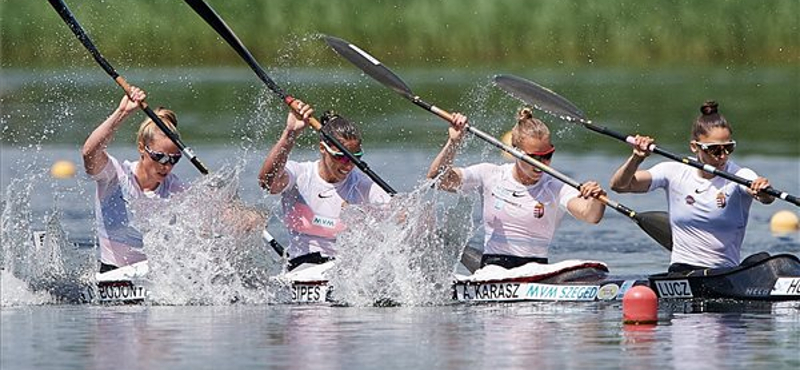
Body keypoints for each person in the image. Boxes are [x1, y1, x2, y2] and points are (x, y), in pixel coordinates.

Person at [427, 108, 607, 269]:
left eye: (547, 156)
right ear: (514, 152)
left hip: (537, 269)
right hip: (493, 268)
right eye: (533, 157)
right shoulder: (490, 174)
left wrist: (597, 198)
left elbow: (590, 215)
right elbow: (437, 179)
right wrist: (454, 142)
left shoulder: (555, 186)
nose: (541, 164)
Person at [609, 101, 774, 273]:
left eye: (728, 148)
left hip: (724, 273)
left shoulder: (739, 176)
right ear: (695, 147)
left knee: (762, 259)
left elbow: (766, 198)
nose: (723, 156)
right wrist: (637, 158)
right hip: (682, 270)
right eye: (715, 150)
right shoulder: (673, 171)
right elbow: (619, 185)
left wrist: (762, 190)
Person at [258, 102, 391, 271]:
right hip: (300, 268)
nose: (348, 165)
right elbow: (267, 182)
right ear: (323, 148)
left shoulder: (363, 186)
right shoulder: (300, 175)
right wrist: (290, 134)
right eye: (341, 157)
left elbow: (399, 217)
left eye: (355, 158)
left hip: (344, 272)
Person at [82, 87, 186, 272]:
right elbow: (90, 153)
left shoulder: (176, 189)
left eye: (174, 159)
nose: (167, 166)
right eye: (160, 157)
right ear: (141, 148)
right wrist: (121, 113)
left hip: (156, 277)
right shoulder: (114, 177)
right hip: (112, 272)